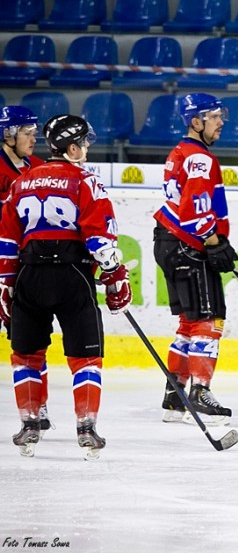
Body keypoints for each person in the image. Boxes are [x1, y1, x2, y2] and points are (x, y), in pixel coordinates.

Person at [0, 114, 132, 459]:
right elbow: (101, 240)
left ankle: (30, 424)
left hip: (29, 275)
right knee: (86, 357)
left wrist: (6, 284)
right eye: (84, 143)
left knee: (26, 356)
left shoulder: (22, 182)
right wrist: (115, 276)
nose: (87, 148)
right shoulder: (85, 181)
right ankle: (86, 427)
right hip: (72, 275)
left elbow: (8, 241)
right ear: (72, 148)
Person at [153, 93, 238, 425]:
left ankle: (174, 397)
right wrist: (215, 243)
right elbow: (195, 211)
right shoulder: (200, 158)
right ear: (195, 121)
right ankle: (200, 394)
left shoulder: (181, 152)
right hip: (189, 245)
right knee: (209, 320)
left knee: (189, 323)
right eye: (214, 117)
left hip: (169, 242)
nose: (220, 122)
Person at [0, 105, 54, 434]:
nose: (34, 138)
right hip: (4, 262)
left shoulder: (39, 168)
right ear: (8, 135)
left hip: (25, 267)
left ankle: (39, 402)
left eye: (35, 132)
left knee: (29, 338)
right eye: (27, 132)